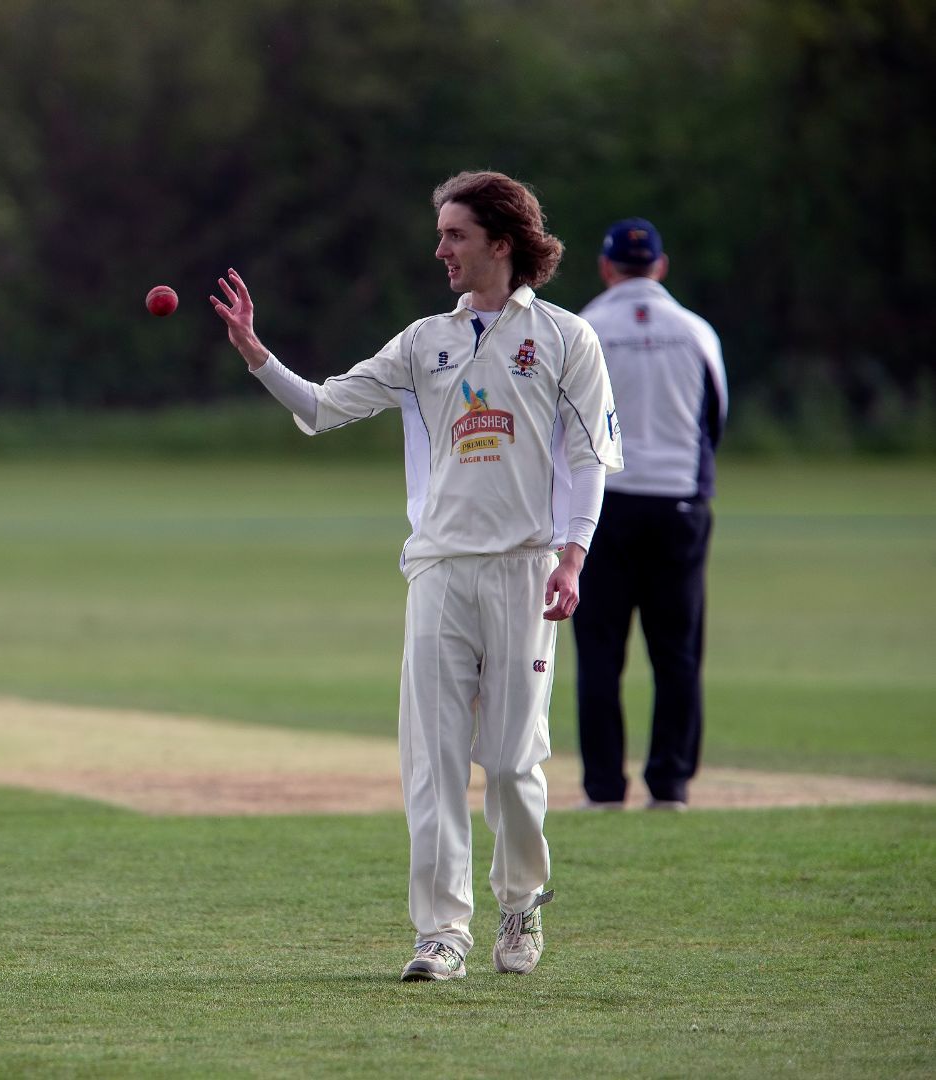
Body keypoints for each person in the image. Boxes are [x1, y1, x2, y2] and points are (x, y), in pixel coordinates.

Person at [209, 171, 622, 982]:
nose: (441, 251)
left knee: (512, 762)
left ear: (501, 243)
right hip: (437, 569)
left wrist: (574, 555)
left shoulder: (567, 338)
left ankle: (520, 903)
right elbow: (324, 406)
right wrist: (258, 356)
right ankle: (442, 933)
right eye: (440, 236)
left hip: (524, 569)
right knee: (432, 761)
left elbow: (590, 457)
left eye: (455, 236)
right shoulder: (424, 340)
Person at [573, 220, 728, 810]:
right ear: (660, 267)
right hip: (678, 503)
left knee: (599, 654)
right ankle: (670, 784)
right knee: (677, 652)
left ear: (605, 267)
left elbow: (562, 418)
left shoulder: (585, 328)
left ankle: (603, 789)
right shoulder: (695, 330)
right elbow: (715, 418)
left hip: (602, 506)